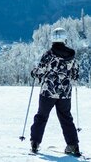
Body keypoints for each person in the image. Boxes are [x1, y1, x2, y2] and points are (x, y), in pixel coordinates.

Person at [30, 27, 81, 156]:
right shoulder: (71, 56)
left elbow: (40, 70)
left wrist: (34, 73)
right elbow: (75, 74)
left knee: (41, 116)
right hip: (65, 93)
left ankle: (35, 142)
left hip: (48, 91)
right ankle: (73, 145)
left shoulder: (48, 54)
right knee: (66, 118)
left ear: (52, 38)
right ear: (64, 38)